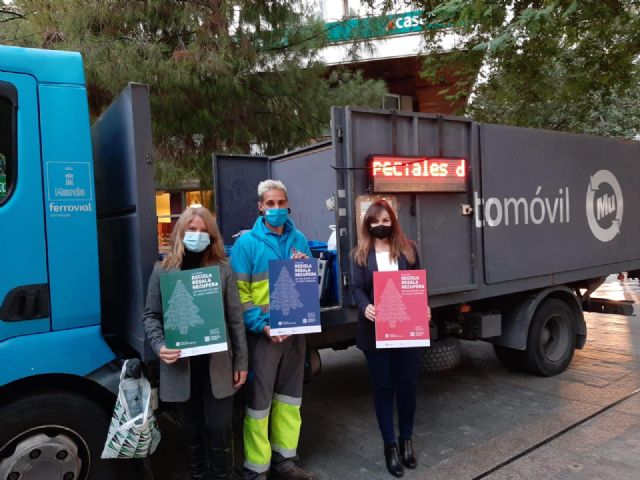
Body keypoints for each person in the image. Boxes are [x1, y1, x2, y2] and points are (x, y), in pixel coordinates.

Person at [143, 206, 248, 480]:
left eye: (203, 231)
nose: (197, 235)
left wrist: (241, 362)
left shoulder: (222, 270)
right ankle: (198, 475)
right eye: (192, 229)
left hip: (218, 368)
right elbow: (151, 316)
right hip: (180, 369)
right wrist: (160, 346)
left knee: (220, 429)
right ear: (180, 232)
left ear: (212, 236)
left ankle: (223, 476)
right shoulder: (162, 271)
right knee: (191, 432)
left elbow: (235, 320)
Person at [231, 179, 315, 480]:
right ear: (260, 207)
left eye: (281, 203)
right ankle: (256, 468)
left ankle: (285, 459)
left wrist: (306, 267)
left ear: (288, 204)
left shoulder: (300, 240)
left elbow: (308, 285)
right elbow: (239, 295)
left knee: (290, 398)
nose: (277, 208)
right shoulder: (246, 244)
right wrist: (262, 326)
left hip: (294, 334)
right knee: (259, 403)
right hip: (264, 337)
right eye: (271, 203)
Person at [351, 200, 422, 478]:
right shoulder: (360, 254)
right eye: (374, 221)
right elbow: (356, 289)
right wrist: (364, 306)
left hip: (407, 330)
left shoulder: (409, 249)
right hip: (374, 332)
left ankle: (406, 440)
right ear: (368, 225)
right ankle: (389, 446)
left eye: (385, 220)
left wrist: (423, 306)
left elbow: (418, 283)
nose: (380, 225)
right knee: (383, 387)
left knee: (407, 386)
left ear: (393, 221)